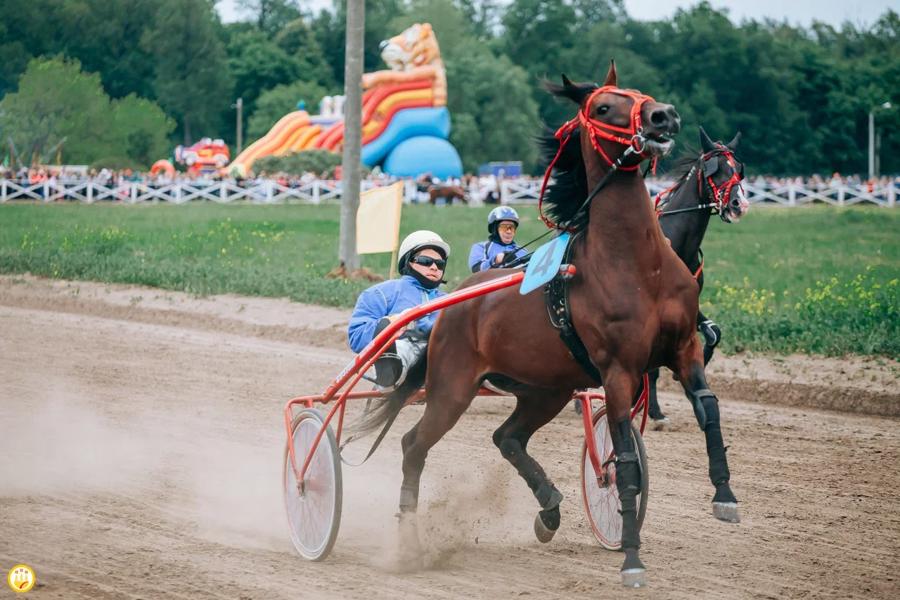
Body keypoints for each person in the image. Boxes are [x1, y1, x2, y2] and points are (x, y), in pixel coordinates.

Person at [348, 230, 451, 388]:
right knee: (404, 344)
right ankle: (392, 370)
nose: (434, 267)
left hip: (443, 358)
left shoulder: (450, 300)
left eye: (440, 263)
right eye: (425, 261)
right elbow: (356, 337)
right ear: (408, 261)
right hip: (405, 352)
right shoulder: (381, 293)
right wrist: (391, 323)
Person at [468, 206, 528, 272]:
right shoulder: (481, 247)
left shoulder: (522, 251)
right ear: (495, 229)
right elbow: (476, 269)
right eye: (504, 227)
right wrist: (495, 260)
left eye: (512, 227)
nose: (509, 231)